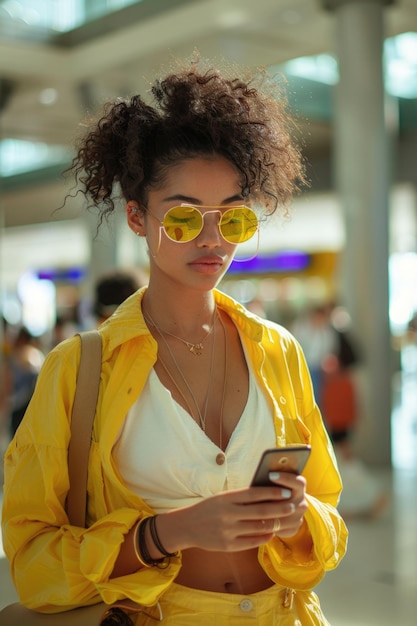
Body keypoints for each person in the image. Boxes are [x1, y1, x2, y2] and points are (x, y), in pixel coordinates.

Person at [1, 57, 347, 625]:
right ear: (137, 218)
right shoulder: (82, 366)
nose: (212, 240)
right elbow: (32, 558)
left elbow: (328, 510)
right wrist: (166, 533)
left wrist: (299, 518)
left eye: (233, 220)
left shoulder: (277, 350)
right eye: (184, 218)